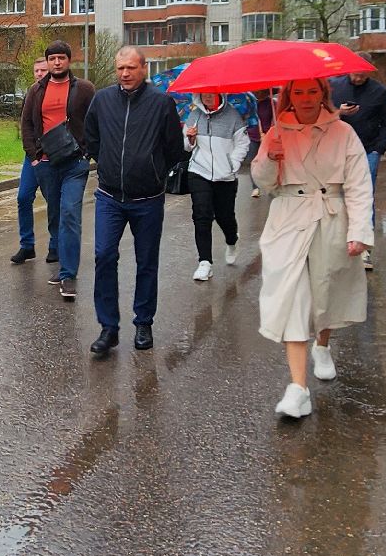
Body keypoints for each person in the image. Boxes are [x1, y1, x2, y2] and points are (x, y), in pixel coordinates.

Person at [251, 78, 374, 419]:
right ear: (289, 96)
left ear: (323, 94)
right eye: (299, 92)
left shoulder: (343, 133)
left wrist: (360, 229)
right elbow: (264, 182)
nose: (306, 99)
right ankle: (298, 387)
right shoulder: (278, 129)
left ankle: (323, 344)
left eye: (312, 92)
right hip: (288, 219)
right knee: (292, 296)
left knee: (326, 288)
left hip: (331, 217)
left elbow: (360, 183)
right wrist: (268, 157)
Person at [83, 46, 189, 356]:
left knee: (147, 261)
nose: (125, 74)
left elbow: (173, 147)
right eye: (120, 69)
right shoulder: (102, 100)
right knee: (103, 256)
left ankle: (143, 322)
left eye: (131, 68)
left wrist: (155, 171)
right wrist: (104, 161)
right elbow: (91, 136)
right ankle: (108, 327)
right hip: (110, 196)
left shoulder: (161, 103)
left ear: (143, 68)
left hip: (148, 199)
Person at [21, 40, 96, 302]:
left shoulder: (84, 89)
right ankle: (63, 262)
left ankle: (68, 273)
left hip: (75, 163)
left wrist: (89, 152)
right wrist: (34, 157)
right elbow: (27, 124)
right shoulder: (36, 90)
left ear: (68, 60)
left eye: (61, 58)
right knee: (55, 215)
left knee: (70, 214)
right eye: (52, 58)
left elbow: (95, 120)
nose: (56, 62)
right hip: (46, 163)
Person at [330, 68, 386, 270]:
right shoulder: (334, 86)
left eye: (362, 75)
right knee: (335, 195)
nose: (358, 78)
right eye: (355, 74)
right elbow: (320, 114)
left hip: (367, 150)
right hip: (337, 149)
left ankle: (364, 246)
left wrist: (379, 149)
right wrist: (338, 112)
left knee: (364, 196)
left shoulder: (379, 91)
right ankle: (339, 242)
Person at [183, 91, 249, 277]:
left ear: (220, 94)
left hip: (225, 176)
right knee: (201, 215)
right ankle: (204, 262)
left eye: (212, 94)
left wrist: (232, 164)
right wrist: (190, 138)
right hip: (199, 172)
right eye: (204, 94)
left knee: (224, 216)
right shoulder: (194, 115)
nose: (208, 98)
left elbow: (242, 144)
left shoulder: (232, 116)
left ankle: (232, 239)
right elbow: (187, 147)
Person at [10, 59, 54, 266]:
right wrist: (31, 154)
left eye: (42, 70)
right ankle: (27, 245)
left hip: (54, 156)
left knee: (53, 201)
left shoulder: (60, 92)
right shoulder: (32, 93)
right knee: (23, 197)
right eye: (36, 70)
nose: (39, 74)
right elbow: (25, 123)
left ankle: (56, 245)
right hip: (33, 156)